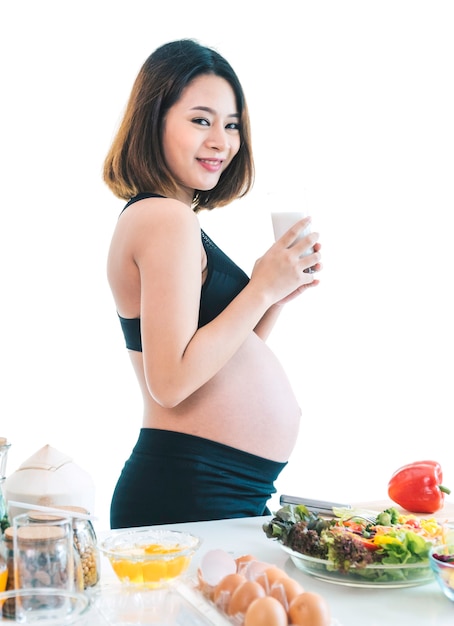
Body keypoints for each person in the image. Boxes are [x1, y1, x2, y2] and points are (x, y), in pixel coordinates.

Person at [103, 39, 322, 529]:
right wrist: (260, 288)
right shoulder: (164, 218)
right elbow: (172, 383)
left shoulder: (170, 219)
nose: (221, 141)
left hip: (215, 486)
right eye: (201, 120)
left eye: (231, 125)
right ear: (154, 119)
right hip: (192, 489)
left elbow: (213, 368)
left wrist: (272, 297)